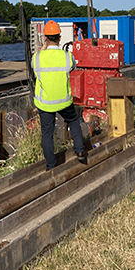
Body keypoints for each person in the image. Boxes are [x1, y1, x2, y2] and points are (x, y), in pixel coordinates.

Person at [32, 20, 87, 170]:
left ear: (45, 38)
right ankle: (80, 151)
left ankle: (51, 165)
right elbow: (73, 67)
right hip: (64, 100)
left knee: (47, 134)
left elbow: (35, 70)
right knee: (73, 121)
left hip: (45, 102)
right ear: (60, 38)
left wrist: (43, 48)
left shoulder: (37, 58)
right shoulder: (68, 56)